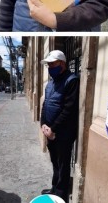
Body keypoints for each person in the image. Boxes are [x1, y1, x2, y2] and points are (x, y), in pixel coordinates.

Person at [40, 50, 80, 203]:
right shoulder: (50, 83)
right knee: (55, 163)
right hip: (49, 131)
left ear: (62, 64)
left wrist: (53, 128)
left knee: (63, 165)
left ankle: (61, 194)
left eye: (52, 64)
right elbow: (45, 105)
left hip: (63, 133)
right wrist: (44, 124)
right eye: (48, 65)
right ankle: (54, 188)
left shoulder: (72, 80)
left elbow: (68, 109)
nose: (50, 67)